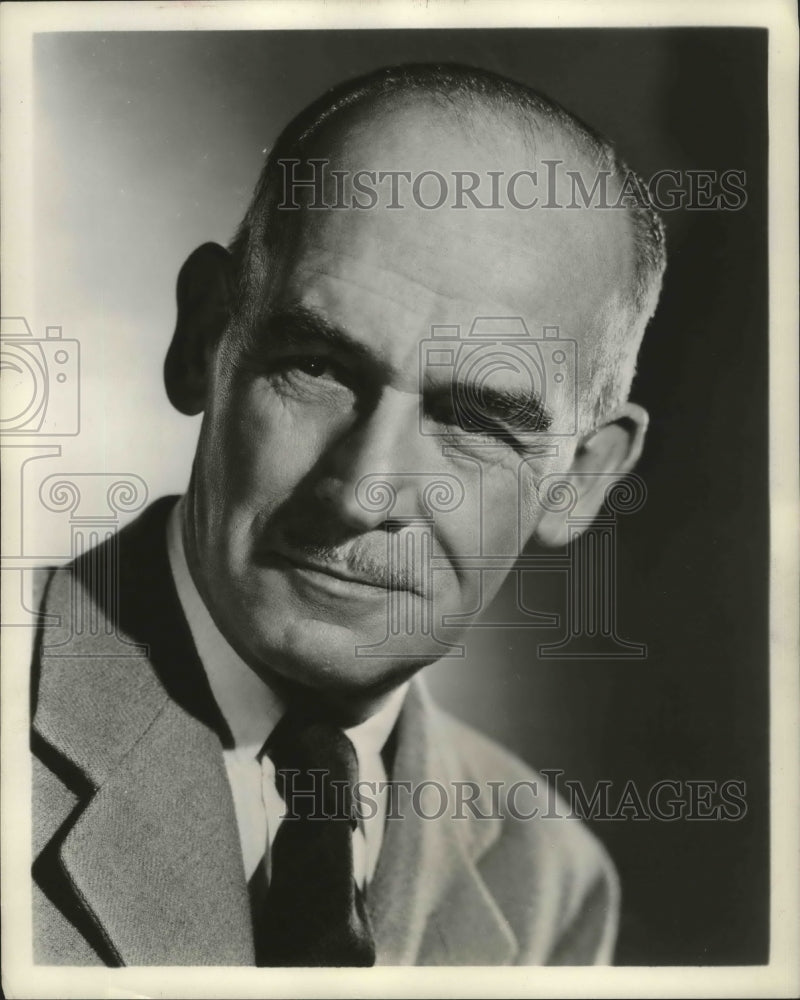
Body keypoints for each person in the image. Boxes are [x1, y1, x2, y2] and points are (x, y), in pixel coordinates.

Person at [31, 63, 665, 967]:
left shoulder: (550, 885)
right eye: (318, 369)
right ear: (205, 338)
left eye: (473, 420)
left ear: (578, 482)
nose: (364, 491)